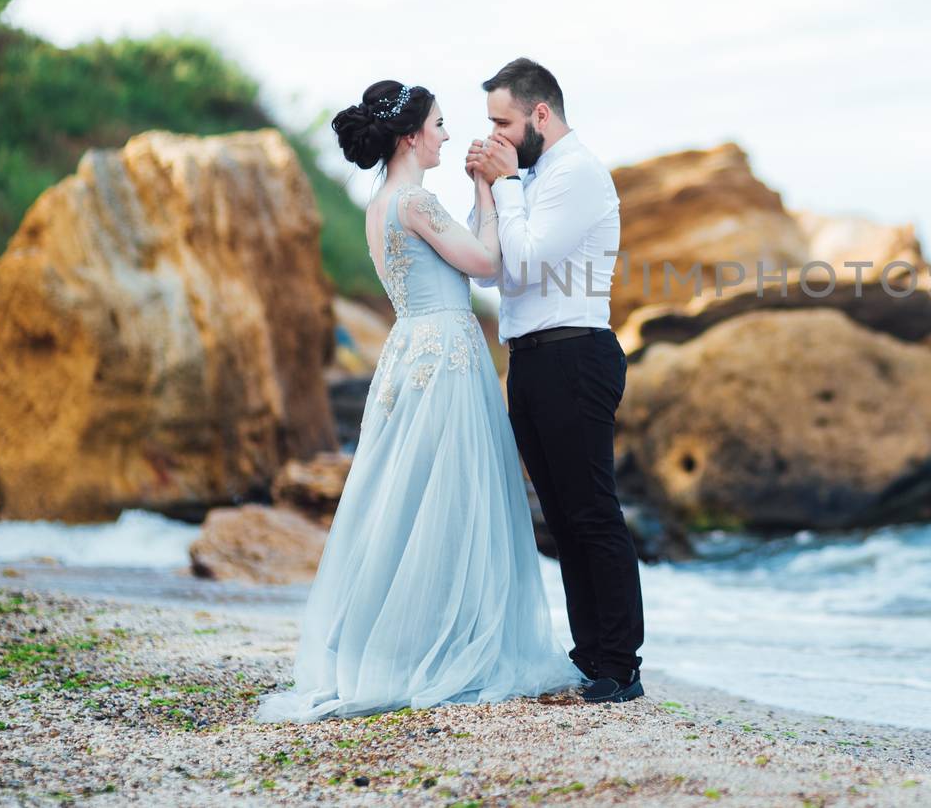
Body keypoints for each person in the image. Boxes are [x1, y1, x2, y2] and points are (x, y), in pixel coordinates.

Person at [255, 79, 580, 723]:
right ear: (409, 136)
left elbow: (450, 262)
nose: (447, 135)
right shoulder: (416, 202)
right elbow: (485, 263)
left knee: (407, 502)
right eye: (437, 124)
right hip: (446, 356)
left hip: (414, 351)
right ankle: (443, 644)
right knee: (449, 499)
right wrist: (488, 190)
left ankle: (400, 642)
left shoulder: (383, 203)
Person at [464, 57, 644, 705]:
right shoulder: (525, 177)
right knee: (562, 518)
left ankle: (620, 666)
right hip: (530, 358)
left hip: (577, 354)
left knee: (593, 511)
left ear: (541, 113)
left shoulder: (578, 174)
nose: (496, 135)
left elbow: (533, 260)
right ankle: (589, 653)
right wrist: (488, 189)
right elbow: (492, 272)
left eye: (503, 121)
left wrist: (506, 184)